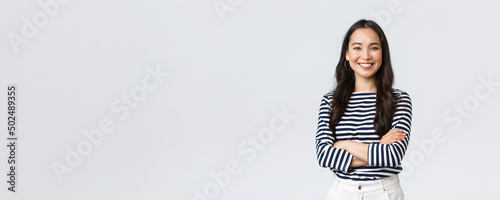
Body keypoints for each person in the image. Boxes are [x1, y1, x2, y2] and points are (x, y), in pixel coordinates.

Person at [315, 19, 412, 200]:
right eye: (357, 48)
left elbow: (392, 156)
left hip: (383, 192)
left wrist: (343, 145)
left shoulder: (399, 100)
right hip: (341, 192)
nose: (365, 56)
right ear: (347, 53)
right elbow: (323, 155)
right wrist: (379, 148)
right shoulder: (330, 101)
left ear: (383, 53)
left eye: (374, 48)